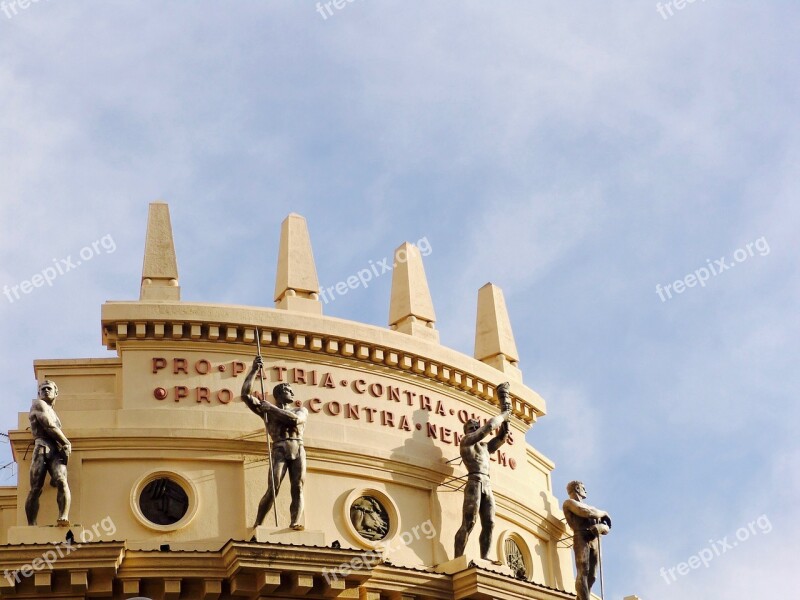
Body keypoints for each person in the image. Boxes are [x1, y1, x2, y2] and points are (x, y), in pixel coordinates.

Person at [241, 356, 308, 530]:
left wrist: (270, 408)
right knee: (273, 488)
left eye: (291, 389)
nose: (290, 392)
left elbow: (294, 421)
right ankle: (258, 523)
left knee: (298, 486)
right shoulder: (267, 412)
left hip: (297, 447)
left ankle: (295, 521)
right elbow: (245, 395)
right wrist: (254, 369)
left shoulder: (299, 410)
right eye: (286, 389)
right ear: (278, 394)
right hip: (279, 448)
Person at [453, 382, 511, 561]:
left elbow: (502, 436)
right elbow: (488, 429)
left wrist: (506, 412)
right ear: (466, 431)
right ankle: (458, 558)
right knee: (469, 522)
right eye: (470, 426)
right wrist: (503, 414)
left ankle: (485, 557)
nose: (473, 427)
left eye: (474, 425)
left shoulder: (486, 447)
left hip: (487, 483)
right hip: (474, 481)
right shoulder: (467, 442)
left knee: (490, 523)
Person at [26, 380, 71, 526]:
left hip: (54, 450)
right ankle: (31, 523)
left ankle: (63, 516)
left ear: (56, 392)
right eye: (43, 389)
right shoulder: (39, 404)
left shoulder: (54, 412)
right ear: (39, 393)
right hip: (41, 447)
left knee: (62, 481)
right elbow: (49, 426)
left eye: (49, 388)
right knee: (35, 489)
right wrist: (66, 442)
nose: (46, 391)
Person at [562, 481, 611, 600]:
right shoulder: (569, 503)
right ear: (577, 488)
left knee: (593, 575)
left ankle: (583, 597)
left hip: (594, 540)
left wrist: (601, 527)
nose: (586, 490)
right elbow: (585, 512)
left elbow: (606, 527)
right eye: (583, 488)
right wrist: (604, 513)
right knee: (583, 570)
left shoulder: (593, 509)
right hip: (581, 537)